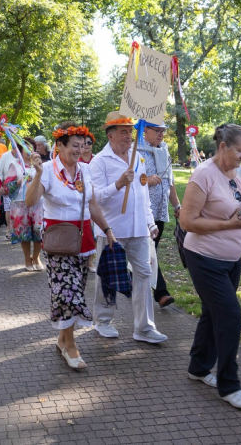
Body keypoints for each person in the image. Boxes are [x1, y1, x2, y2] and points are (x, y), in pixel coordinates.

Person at [25, 121, 116, 369]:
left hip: (83, 240)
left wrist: (107, 229)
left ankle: (62, 339)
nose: (79, 150)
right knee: (68, 294)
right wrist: (38, 176)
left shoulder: (85, 170)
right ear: (59, 145)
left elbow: (93, 205)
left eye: (82, 145)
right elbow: (30, 200)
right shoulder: (46, 169)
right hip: (58, 242)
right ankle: (71, 346)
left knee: (73, 292)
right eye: (74, 146)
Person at [179, 123, 241, 410]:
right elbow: (188, 222)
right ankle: (229, 385)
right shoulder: (203, 175)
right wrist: (227, 224)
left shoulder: (237, 173)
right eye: (240, 151)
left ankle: (198, 367)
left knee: (213, 314)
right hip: (204, 257)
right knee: (230, 315)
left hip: (231, 260)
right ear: (223, 147)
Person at [88, 111, 168, 344]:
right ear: (110, 135)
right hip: (110, 229)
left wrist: (150, 222)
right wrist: (118, 184)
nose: (129, 136)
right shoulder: (99, 162)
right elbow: (96, 199)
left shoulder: (137, 158)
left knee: (144, 273)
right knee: (107, 276)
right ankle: (102, 321)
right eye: (123, 132)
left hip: (139, 229)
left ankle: (143, 327)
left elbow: (143, 195)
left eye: (130, 131)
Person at [138, 122, 181, 308]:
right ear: (145, 131)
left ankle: (135, 277)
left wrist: (177, 205)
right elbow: (128, 179)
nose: (161, 134)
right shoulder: (135, 152)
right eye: (156, 130)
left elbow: (169, 181)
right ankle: (161, 292)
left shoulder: (164, 151)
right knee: (149, 251)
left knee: (149, 251)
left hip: (160, 210)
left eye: (163, 130)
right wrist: (146, 180)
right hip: (142, 211)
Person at [4, 140, 44, 271]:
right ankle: (27, 258)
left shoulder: (39, 164)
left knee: (39, 231)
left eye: (31, 148)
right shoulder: (14, 165)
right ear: (20, 151)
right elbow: (7, 187)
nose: (28, 151)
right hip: (20, 203)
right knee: (24, 232)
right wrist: (19, 181)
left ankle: (37, 257)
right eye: (26, 149)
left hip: (37, 202)